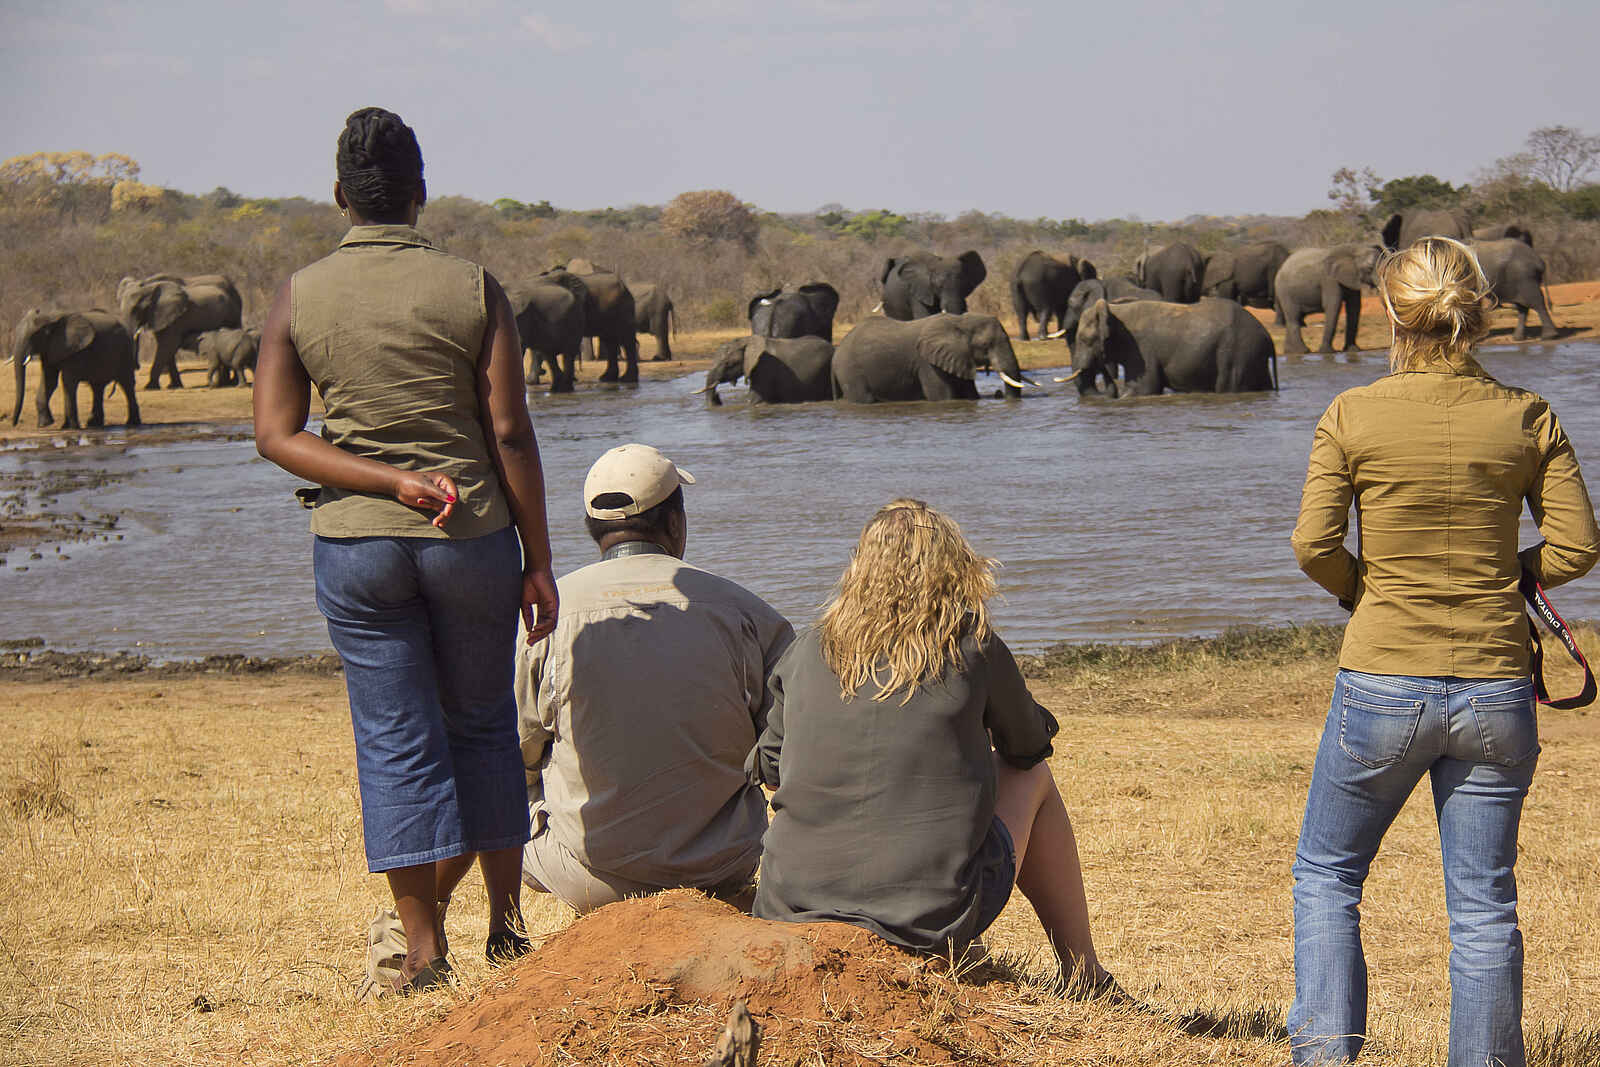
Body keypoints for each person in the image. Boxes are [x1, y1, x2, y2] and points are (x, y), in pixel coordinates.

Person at [254, 107, 559, 994]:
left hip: (357, 548)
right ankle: (505, 926)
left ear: (340, 195)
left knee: (395, 740)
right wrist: (538, 559)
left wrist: (386, 481)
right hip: (472, 540)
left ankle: (423, 951)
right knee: (484, 724)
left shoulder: (299, 295)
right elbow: (509, 433)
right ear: (420, 192)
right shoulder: (473, 288)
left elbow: (276, 435)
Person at [1288, 237, 1598, 1065]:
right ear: (1482, 310)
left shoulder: (1351, 413)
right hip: (1496, 687)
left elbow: (1313, 545)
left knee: (1328, 874)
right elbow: (1577, 546)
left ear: (1390, 315)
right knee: (1485, 906)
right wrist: (1511, 574)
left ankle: (1324, 1056)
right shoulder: (1530, 415)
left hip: (1381, 681)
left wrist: (1366, 589)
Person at [748, 498, 1118, 996]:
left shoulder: (808, 648)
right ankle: (1084, 971)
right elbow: (1028, 748)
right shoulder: (971, 645)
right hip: (926, 920)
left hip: (788, 908)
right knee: (1032, 777)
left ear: (858, 567)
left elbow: (771, 768)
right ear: (955, 569)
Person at [509, 443, 794, 912]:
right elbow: (788, 748)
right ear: (675, 523)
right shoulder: (747, 612)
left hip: (587, 879)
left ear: (592, 529)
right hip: (723, 868)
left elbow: (513, 753)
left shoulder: (545, 616)